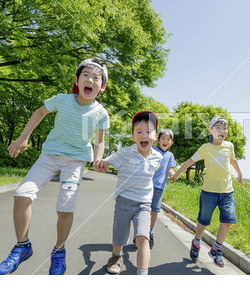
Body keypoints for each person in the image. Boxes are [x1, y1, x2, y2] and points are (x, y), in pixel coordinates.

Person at [0, 59, 109, 275]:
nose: (90, 80)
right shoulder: (62, 100)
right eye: (85, 75)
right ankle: (22, 246)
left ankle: (58, 251)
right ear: (77, 80)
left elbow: (100, 141)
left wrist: (98, 159)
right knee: (22, 195)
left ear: (102, 86)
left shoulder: (101, 113)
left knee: (65, 208)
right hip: (49, 155)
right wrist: (23, 138)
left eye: (96, 77)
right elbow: (39, 112)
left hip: (75, 162)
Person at [94, 111, 162, 275]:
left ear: (155, 136)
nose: (143, 135)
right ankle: (116, 256)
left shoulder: (158, 158)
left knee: (143, 238)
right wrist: (101, 164)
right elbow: (106, 164)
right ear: (133, 136)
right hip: (124, 200)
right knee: (120, 235)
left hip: (144, 203)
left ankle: (142, 274)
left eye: (148, 132)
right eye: (139, 132)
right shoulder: (124, 153)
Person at [171, 117, 242, 268]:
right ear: (210, 131)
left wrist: (240, 174)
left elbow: (233, 160)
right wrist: (177, 173)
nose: (222, 130)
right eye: (218, 127)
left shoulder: (229, 146)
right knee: (203, 221)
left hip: (227, 191)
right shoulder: (205, 148)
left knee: (227, 221)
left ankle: (216, 250)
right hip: (209, 192)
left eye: (225, 128)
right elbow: (190, 161)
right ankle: (196, 242)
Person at [149, 128, 176, 249]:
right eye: (163, 138)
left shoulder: (170, 155)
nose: (165, 141)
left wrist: (172, 174)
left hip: (159, 187)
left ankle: (150, 231)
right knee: (142, 208)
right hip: (146, 184)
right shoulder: (152, 149)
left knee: (154, 210)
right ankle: (140, 231)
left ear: (171, 142)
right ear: (158, 140)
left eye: (168, 139)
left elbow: (169, 168)